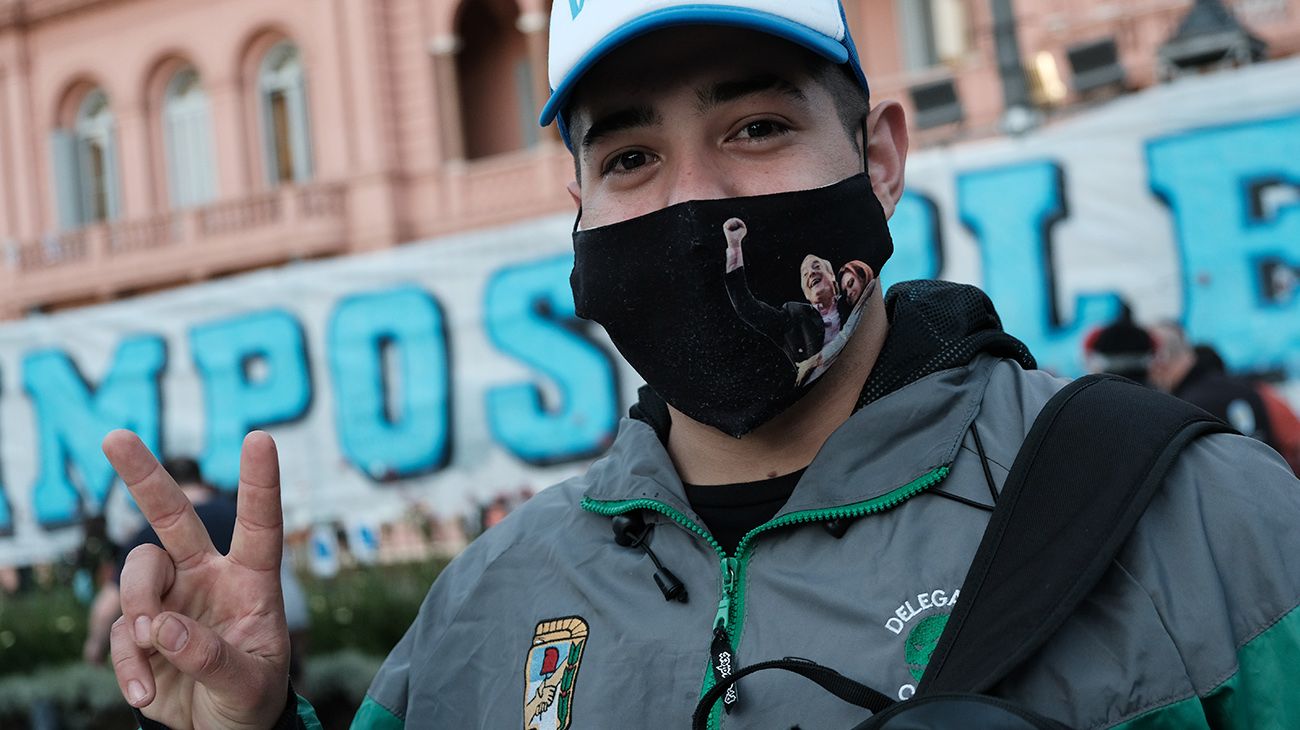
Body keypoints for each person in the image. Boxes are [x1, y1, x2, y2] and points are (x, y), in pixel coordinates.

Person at [103, 2, 1300, 728]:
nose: (698, 205)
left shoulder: (1200, 519)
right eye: (631, 158)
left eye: (757, 128)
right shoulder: (485, 610)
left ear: (879, 158)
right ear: (578, 208)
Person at [1150, 324, 1299, 472]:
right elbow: (1293, 441)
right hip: (1275, 480)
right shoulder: (1253, 389)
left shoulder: (1185, 409)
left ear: (1160, 360)